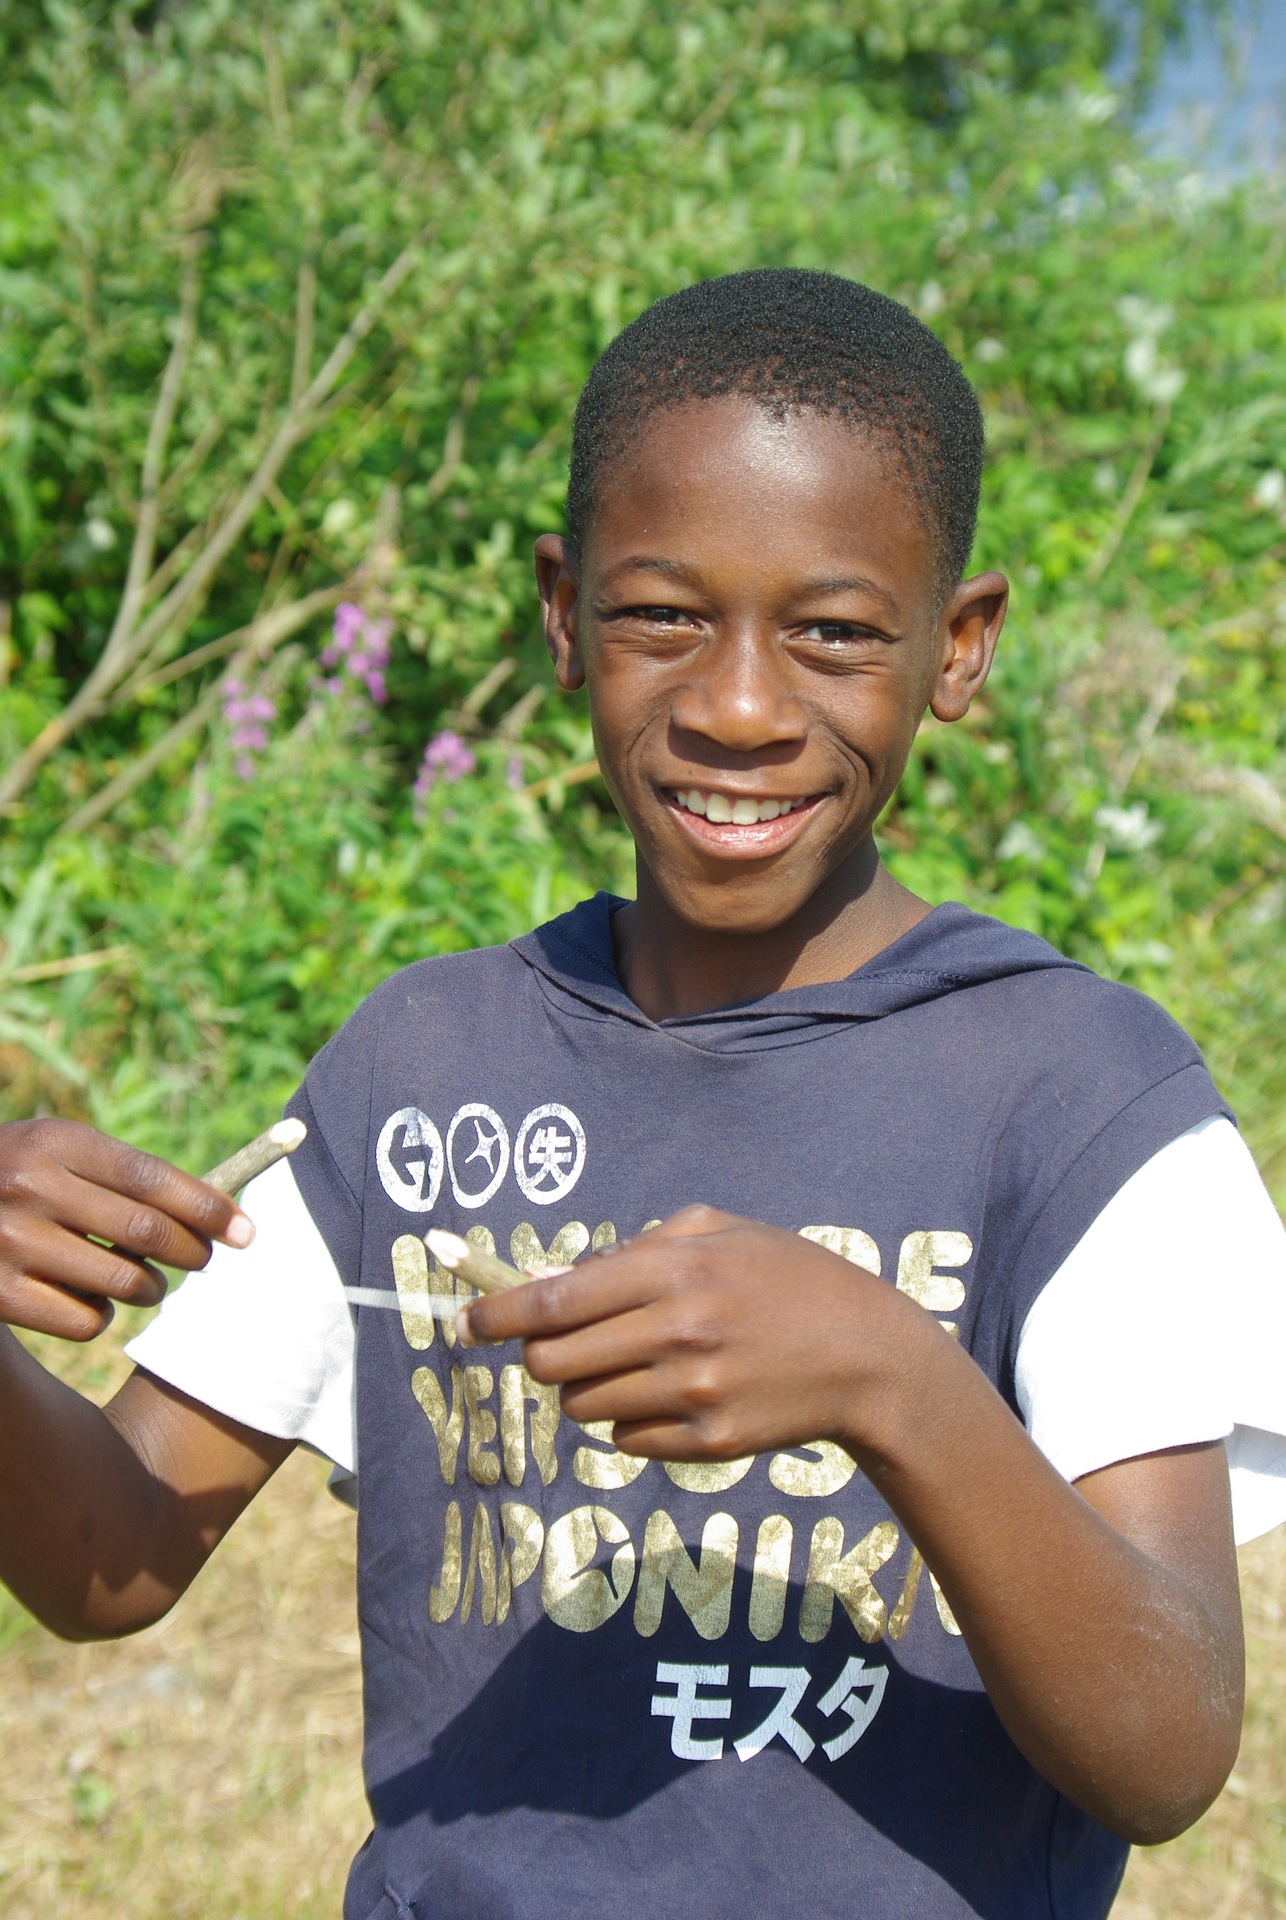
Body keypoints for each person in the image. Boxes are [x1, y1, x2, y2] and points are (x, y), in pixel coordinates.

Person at [1, 269, 1284, 1920]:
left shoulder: (1083, 1099)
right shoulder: (422, 1065)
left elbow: (1166, 1755)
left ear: (956, 647)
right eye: (662, 616)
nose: (739, 708)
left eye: (833, 633)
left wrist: (894, 1381)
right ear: (563, 611)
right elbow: (106, 1564)